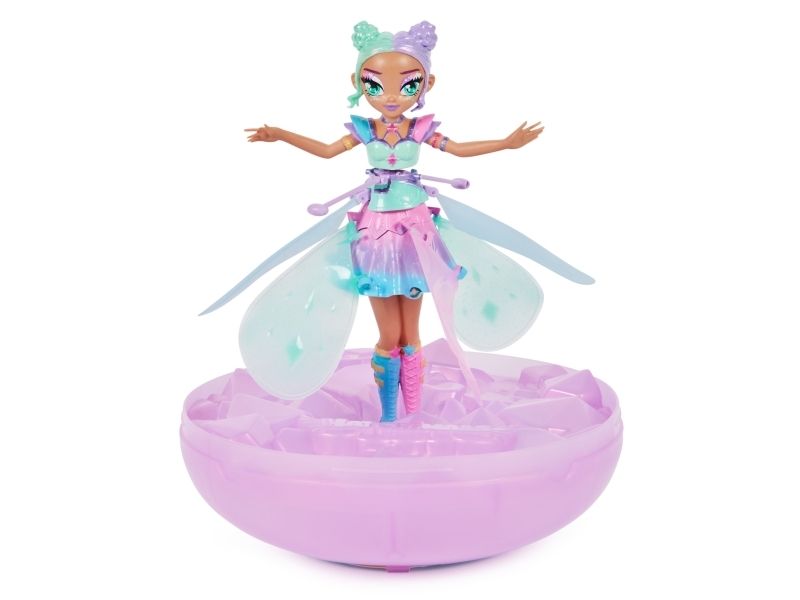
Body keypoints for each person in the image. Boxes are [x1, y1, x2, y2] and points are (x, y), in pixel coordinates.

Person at [206, 21, 589, 423]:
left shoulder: (419, 129)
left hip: (415, 232)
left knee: (411, 333)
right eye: (375, 85)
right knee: (390, 335)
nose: (390, 96)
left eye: (407, 85)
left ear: (428, 84)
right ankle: (390, 415)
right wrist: (281, 134)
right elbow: (326, 150)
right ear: (357, 83)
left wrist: (506, 143)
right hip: (376, 234)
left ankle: (412, 414)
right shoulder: (366, 130)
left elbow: (458, 149)